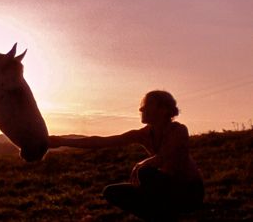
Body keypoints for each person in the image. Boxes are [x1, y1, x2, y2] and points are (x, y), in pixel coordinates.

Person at [48, 90, 204, 221]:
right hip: (164, 191)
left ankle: (165, 216)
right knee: (112, 192)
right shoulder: (143, 134)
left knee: (146, 174)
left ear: (164, 110)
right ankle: (161, 217)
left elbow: (164, 156)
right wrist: (61, 141)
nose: (141, 109)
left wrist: (141, 164)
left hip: (189, 192)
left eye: (147, 105)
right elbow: (100, 142)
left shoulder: (179, 130)